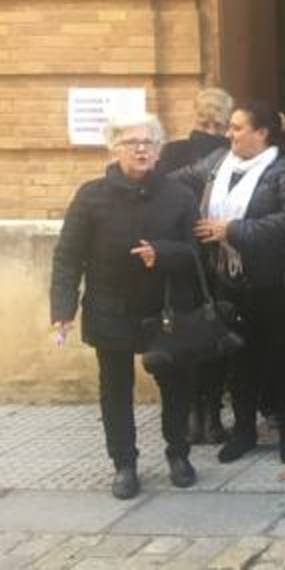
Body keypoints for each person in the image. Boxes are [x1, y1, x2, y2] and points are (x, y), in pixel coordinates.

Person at [50, 113, 200, 499]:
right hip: (109, 305)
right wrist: (63, 309)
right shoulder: (91, 195)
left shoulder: (180, 194)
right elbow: (68, 256)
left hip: (166, 308)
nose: (140, 149)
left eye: (149, 142)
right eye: (131, 142)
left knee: (176, 384)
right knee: (115, 389)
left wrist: (162, 253)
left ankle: (179, 454)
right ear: (114, 148)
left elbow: (198, 253)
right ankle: (124, 464)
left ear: (159, 149)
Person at [171, 103, 285, 463]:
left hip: (283, 283)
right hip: (233, 282)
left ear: (262, 133)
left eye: (237, 127)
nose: (229, 134)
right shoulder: (219, 161)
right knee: (240, 361)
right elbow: (180, 180)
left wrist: (231, 230)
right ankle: (244, 431)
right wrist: (137, 176)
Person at [155, 88, 233, 445]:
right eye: (205, 121)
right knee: (191, 334)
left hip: (214, 255)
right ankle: (197, 413)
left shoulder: (233, 154)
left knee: (211, 333)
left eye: (218, 123)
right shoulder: (175, 153)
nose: (210, 129)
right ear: (195, 116)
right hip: (188, 255)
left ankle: (207, 413)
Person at [155, 87, 232, 174]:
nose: (211, 132)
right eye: (204, 124)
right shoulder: (174, 152)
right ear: (194, 120)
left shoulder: (234, 154)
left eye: (218, 125)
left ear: (227, 125)